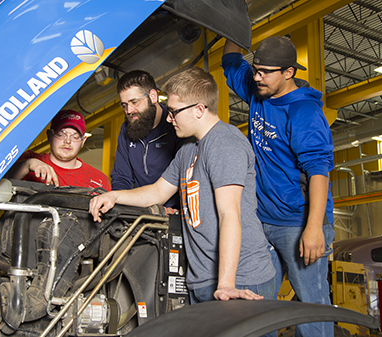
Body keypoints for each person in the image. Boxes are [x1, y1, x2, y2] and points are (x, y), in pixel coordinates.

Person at [90, 67, 275, 304]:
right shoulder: (188, 150)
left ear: (199, 110)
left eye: (174, 112)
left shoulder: (224, 143)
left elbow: (230, 214)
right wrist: (114, 196)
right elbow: (157, 192)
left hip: (240, 279)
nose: (169, 117)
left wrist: (226, 282)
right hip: (203, 278)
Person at [222, 36, 335, 336]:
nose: (256, 76)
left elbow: (319, 172)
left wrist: (313, 228)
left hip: (298, 224)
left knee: (311, 309)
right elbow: (231, 63)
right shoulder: (259, 89)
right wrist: (234, 27)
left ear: (289, 73)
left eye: (265, 71)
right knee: (257, 308)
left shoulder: (304, 113)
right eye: (256, 69)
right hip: (262, 223)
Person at [112, 70, 185, 208]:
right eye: (124, 105)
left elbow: (186, 177)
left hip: (176, 213)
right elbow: (121, 177)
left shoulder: (177, 126)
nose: (129, 110)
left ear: (153, 96)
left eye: (134, 102)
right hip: (141, 209)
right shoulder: (126, 130)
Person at [7, 109, 111, 191]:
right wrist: (27, 165)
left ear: (83, 141)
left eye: (75, 137)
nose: (68, 141)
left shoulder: (99, 180)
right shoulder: (28, 160)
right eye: (61, 134)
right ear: (49, 136)